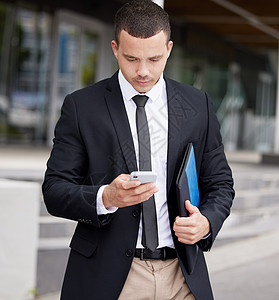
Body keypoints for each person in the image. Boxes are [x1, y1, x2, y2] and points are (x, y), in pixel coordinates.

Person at [42, 1, 234, 299]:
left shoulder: (199, 106)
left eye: (154, 59)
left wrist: (206, 222)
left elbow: (220, 183)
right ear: (115, 48)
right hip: (112, 278)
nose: (143, 71)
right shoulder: (82, 107)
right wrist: (105, 196)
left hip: (182, 275)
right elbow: (54, 190)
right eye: (131, 58)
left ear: (168, 49)